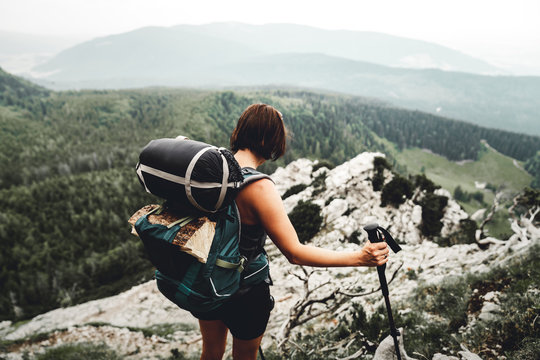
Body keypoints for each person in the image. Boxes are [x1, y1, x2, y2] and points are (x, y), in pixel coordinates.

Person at [194, 103, 390, 360]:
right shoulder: (258, 187)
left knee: (210, 353)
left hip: (207, 281)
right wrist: (359, 258)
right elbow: (295, 253)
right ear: (268, 139)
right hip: (245, 293)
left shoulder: (211, 173)